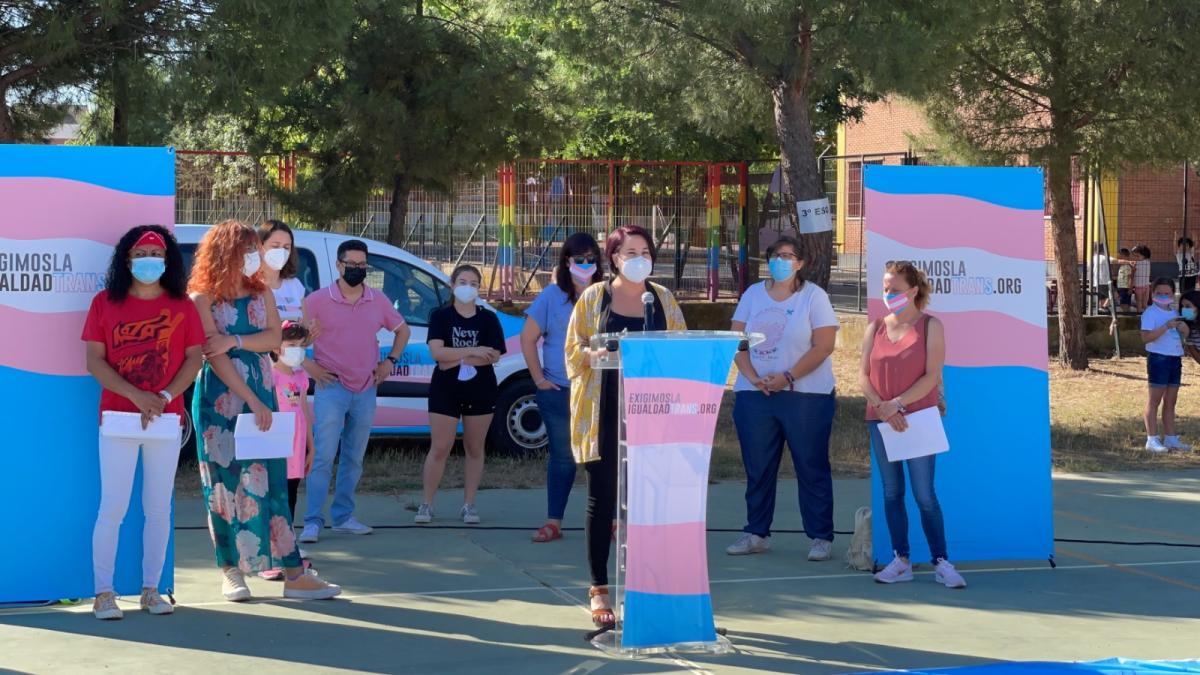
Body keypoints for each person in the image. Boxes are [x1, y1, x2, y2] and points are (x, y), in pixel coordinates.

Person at [190, 219, 341, 601]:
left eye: (255, 252)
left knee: (272, 483)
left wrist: (236, 340)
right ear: (224, 254)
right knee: (223, 487)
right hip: (219, 403)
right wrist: (252, 398)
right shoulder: (202, 298)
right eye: (246, 252)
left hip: (262, 394)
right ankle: (231, 572)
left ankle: (294, 572)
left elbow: (274, 338)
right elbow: (213, 353)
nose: (254, 259)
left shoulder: (263, 294)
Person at [565, 225, 687, 626]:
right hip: (604, 410)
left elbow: (683, 347)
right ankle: (599, 588)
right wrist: (595, 351)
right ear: (614, 257)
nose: (639, 258)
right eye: (630, 251)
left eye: (645, 251)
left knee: (649, 501)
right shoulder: (593, 297)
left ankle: (647, 586)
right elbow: (573, 352)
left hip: (652, 413)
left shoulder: (662, 299)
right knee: (601, 500)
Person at [84, 226, 205, 620]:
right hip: (118, 418)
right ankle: (104, 593)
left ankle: (152, 590)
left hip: (166, 421)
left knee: (158, 509)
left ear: (167, 260)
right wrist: (137, 396)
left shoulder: (183, 305)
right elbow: (95, 361)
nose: (148, 261)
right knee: (113, 507)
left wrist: (165, 397)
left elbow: (194, 359)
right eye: (140, 255)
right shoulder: (105, 303)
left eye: (155, 254)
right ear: (126, 260)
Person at [726, 235, 839, 561]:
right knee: (758, 467)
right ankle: (756, 532)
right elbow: (738, 340)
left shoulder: (813, 297)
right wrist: (753, 377)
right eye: (776, 256)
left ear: (801, 263)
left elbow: (824, 345)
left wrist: (788, 377)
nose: (782, 261)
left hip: (806, 397)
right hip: (755, 395)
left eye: (789, 256)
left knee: (811, 465)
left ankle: (820, 536)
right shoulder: (753, 294)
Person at [860, 261, 966, 589]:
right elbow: (864, 376)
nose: (888, 294)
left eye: (894, 289)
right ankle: (901, 560)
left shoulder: (931, 326)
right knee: (892, 492)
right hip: (881, 421)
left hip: (918, 418)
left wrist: (899, 404)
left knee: (924, 495)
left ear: (913, 291)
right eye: (885, 288)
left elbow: (932, 375)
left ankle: (941, 561)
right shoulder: (874, 327)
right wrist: (884, 408)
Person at [300, 240, 410, 542]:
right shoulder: (317, 300)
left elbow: (403, 330)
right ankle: (312, 522)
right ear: (339, 265)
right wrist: (311, 369)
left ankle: (344, 516)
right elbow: (291, 339)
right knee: (323, 456)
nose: (358, 270)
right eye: (352, 265)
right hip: (331, 387)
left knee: (354, 457)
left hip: (365, 388)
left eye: (363, 266)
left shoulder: (377, 299)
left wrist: (390, 361)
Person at [520, 233, 604, 543]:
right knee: (562, 457)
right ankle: (554, 521)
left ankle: (607, 522)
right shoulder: (551, 297)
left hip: (599, 391)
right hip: (558, 390)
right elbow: (528, 338)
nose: (585, 265)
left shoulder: (607, 294)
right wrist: (540, 379)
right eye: (578, 259)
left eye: (590, 259)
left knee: (600, 458)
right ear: (566, 262)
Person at [415, 265, 506, 524]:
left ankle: (469, 505)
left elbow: (494, 355)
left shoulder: (488, 318)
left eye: (474, 283)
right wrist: (474, 350)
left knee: (475, 448)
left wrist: (457, 358)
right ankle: (426, 504)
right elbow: (437, 355)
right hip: (446, 389)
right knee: (440, 447)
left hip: (481, 389)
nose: (469, 287)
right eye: (463, 281)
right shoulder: (441, 317)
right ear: (453, 285)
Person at [260, 320, 316, 581]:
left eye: (301, 346)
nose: (297, 350)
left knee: (291, 494)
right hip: (275, 446)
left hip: (297, 446)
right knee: (274, 496)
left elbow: (305, 411)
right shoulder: (269, 376)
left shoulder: (302, 377)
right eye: (291, 345)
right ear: (276, 348)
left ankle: (287, 544)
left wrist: (311, 446)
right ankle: (269, 553)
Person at [1141, 277, 1190, 453]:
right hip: (1158, 359)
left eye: (1167, 293)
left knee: (1171, 401)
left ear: (1172, 294)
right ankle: (1152, 439)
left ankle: (1170, 438)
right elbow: (1146, 337)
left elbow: (1183, 335)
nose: (1163, 296)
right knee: (1154, 400)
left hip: (1175, 359)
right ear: (1153, 294)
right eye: (1159, 293)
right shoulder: (1150, 313)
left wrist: (1184, 329)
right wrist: (1166, 327)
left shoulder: (1174, 312)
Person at [258, 220, 308, 323]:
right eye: (275, 246)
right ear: (260, 247)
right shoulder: (248, 285)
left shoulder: (295, 285)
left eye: (286, 247)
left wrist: (313, 330)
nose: (281, 251)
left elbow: (305, 329)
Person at [1133, 245, 1152, 312]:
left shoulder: (1147, 261)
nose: (1136, 258)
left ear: (1144, 255)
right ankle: (1139, 316)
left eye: (1137, 256)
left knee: (1144, 304)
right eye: (1135, 256)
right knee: (1139, 303)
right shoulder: (1136, 263)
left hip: (1146, 286)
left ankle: (1148, 316)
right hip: (1139, 287)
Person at [1116, 247, 1134, 312]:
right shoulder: (1122, 266)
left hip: (1125, 288)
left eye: (1119, 257)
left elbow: (1130, 278)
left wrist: (1130, 288)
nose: (1118, 259)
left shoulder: (1127, 267)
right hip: (1121, 288)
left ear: (1124, 257)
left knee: (1125, 304)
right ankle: (1125, 313)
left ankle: (1126, 314)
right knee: (1122, 303)